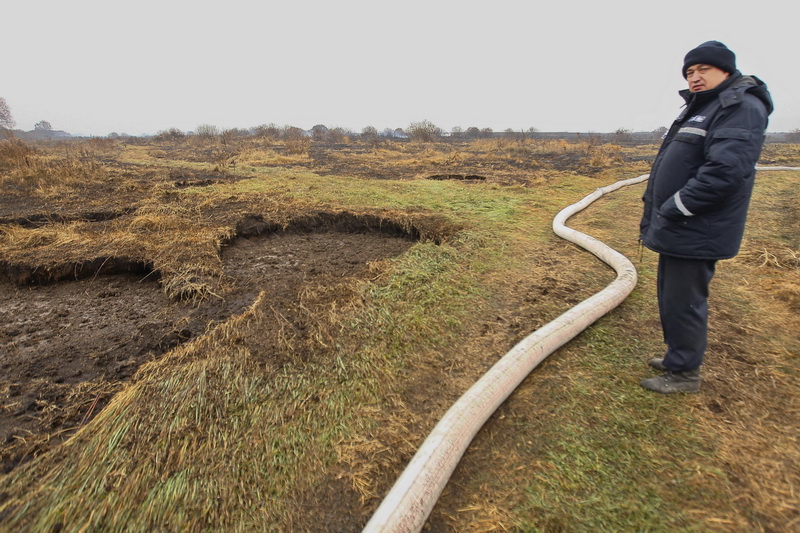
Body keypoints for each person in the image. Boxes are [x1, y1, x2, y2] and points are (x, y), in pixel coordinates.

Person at [638, 41, 773, 393]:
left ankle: (683, 374)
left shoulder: (739, 106)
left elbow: (725, 171)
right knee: (672, 296)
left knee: (685, 301)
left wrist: (677, 206)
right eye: (689, 72)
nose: (695, 77)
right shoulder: (706, 107)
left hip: (696, 225)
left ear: (726, 71)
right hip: (681, 225)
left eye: (703, 70)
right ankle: (676, 358)